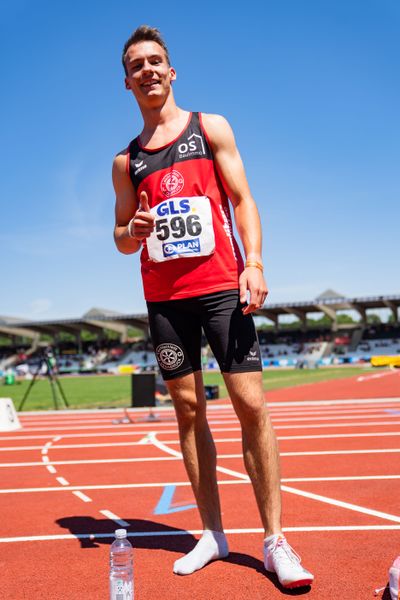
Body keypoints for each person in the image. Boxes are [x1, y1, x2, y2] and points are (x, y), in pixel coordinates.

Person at [113, 25, 314, 590]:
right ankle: (213, 533)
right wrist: (132, 228)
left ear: (171, 72)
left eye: (156, 61)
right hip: (165, 298)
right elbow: (121, 237)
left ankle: (275, 541)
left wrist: (255, 261)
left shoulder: (211, 128)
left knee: (250, 405)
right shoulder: (125, 162)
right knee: (187, 411)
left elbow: (245, 199)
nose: (148, 70)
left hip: (223, 286)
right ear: (125, 82)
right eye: (137, 65)